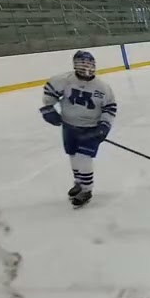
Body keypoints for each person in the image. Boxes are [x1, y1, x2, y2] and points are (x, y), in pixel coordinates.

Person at [41, 51, 117, 208]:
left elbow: (110, 107)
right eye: (82, 64)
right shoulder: (64, 80)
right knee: (73, 155)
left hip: (90, 128)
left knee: (84, 157)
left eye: (89, 64)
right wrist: (48, 109)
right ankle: (79, 182)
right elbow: (50, 93)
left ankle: (87, 189)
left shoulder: (102, 87)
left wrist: (104, 126)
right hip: (69, 126)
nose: (86, 68)